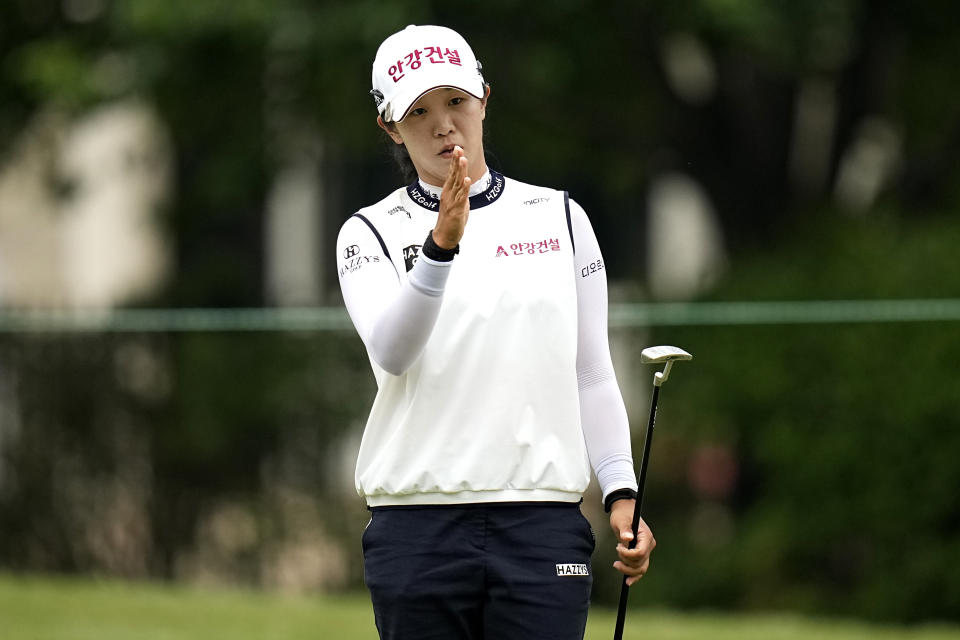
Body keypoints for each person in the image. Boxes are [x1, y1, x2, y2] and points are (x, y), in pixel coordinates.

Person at [336, 24, 655, 640]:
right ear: (389, 125)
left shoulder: (562, 216)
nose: (442, 125)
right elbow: (394, 352)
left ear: (484, 96)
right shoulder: (367, 232)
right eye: (418, 111)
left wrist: (621, 492)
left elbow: (590, 370)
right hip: (416, 527)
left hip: (540, 525)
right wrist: (440, 248)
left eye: (456, 101)